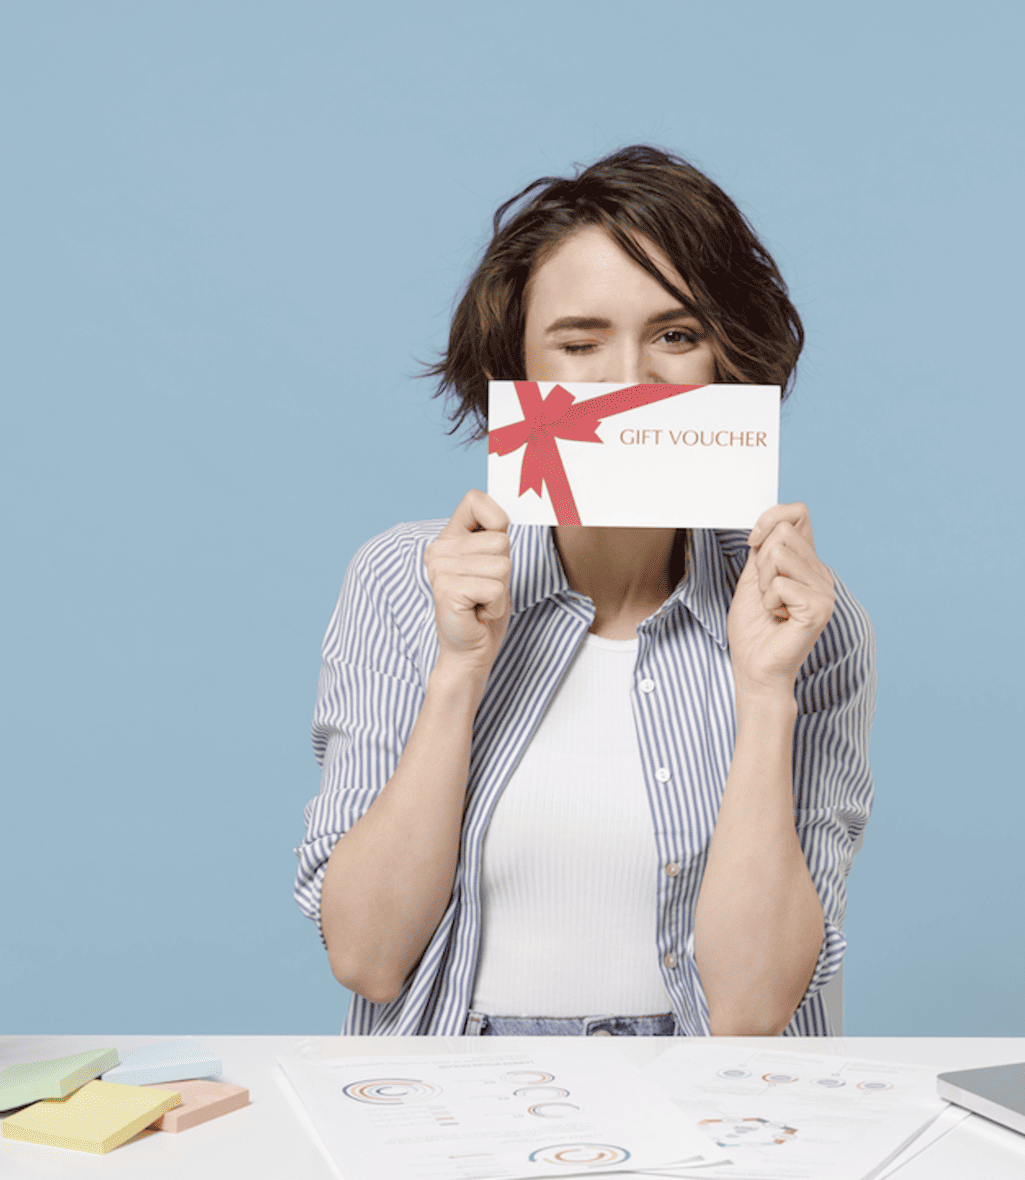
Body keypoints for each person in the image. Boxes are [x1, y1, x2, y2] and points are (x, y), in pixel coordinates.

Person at [293, 145, 874, 1036]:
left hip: (713, 1114)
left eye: (675, 336)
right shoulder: (403, 583)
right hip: (449, 1110)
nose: (629, 381)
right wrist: (457, 671)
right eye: (579, 342)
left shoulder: (804, 626)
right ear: (516, 372)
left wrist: (765, 693)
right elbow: (366, 959)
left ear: (728, 363)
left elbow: (754, 1007)